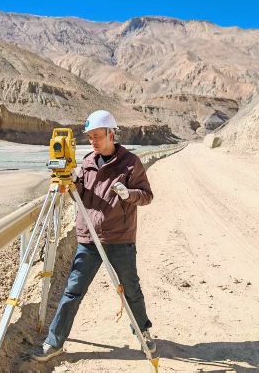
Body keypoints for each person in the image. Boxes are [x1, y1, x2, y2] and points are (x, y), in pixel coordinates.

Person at [32, 110, 155, 362]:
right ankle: (54, 342)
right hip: (88, 239)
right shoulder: (88, 161)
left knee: (131, 290)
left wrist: (129, 194)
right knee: (72, 291)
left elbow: (146, 196)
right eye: (90, 137)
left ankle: (143, 333)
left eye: (97, 136)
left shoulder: (130, 163)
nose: (93, 142)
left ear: (111, 134)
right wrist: (74, 183)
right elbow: (81, 196)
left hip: (120, 239)